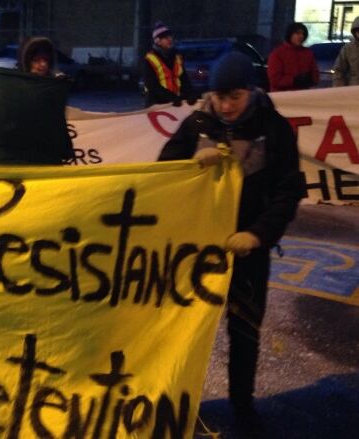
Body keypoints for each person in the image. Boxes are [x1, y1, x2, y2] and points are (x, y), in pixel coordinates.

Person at [158, 52, 304, 435]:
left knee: (244, 332)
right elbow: (161, 175)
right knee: (185, 331)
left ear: (251, 92)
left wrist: (258, 234)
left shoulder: (274, 128)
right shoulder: (197, 124)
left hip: (247, 251)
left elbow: (288, 191)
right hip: (196, 253)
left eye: (235, 97)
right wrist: (190, 163)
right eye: (220, 97)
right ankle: (179, 400)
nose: (226, 106)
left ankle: (243, 406)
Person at [141, 21, 196, 107]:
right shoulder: (149, 59)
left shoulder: (177, 56)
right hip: (156, 106)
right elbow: (152, 86)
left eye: (170, 36)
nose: (170, 39)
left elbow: (184, 79)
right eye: (166, 37)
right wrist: (172, 98)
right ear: (158, 41)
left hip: (175, 104)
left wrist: (190, 94)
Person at [267, 22, 319, 91]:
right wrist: (294, 80)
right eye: (297, 33)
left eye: (303, 34)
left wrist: (311, 79)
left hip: (303, 95)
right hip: (282, 96)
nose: (301, 36)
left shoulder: (308, 53)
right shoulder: (277, 54)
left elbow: (315, 76)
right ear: (290, 34)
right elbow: (274, 80)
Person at [333, 17, 359, 87]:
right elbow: (338, 71)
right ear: (355, 32)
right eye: (358, 31)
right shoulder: (348, 48)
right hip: (353, 89)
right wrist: (340, 90)